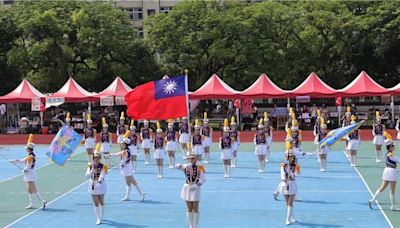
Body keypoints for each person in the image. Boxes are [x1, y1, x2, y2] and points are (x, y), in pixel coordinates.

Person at [10, 134, 47, 209]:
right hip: (29, 173)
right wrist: (13, 161)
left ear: (29, 149)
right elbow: (22, 160)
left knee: (33, 188)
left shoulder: (30, 156)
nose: (26, 149)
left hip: (30, 173)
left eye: (27, 148)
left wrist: (24, 170)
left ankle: (42, 201)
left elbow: (28, 166)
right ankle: (31, 203)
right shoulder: (29, 155)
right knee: (29, 188)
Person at [107, 130, 146, 201]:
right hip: (126, 167)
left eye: (122, 143)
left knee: (132, 181)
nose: (121, 144)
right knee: (128, 182)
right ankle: (129, 196)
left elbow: (124, 160)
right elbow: (118, 154)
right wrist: (109, 155)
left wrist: (121, 164)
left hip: (127, 167)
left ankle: (141, 193)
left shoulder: (126, 151)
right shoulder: (125, 150)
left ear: (125, 144)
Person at [369, 132, 399, 211]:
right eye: (393, 146)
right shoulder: (391, 155)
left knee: (382, 187)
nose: (394, 147)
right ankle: (393, 206)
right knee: (392, 190)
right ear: (390, 147)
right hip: (392, 171)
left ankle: (373, 200)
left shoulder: (387, 154)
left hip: (387, 170)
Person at [175, 153, 206, 228]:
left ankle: (195, 225)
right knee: (189, 207)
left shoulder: (200, 167)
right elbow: (176, 166)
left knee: (195, 207)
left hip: (195, 188)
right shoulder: (186, 167)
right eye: (189, 158)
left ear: (196, 159)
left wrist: (196, 185)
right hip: (187, 187)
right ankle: (191, 225)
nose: (191, 160)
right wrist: (183, 165)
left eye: (193, 158)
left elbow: (203, 179)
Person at [85, 144, 108, 225]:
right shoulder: (90, 166)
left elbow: (103, 175)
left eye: (98, 158)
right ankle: (98, 218)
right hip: (92, 184)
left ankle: (101, 216)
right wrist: (91, 171)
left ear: (100, 158)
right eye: (95, 158)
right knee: (95, 202)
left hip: (101, 185)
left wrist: (100, 180)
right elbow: (86, 176)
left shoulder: (103, 166)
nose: (97, 159)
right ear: (93, 158)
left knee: (101, 201)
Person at [281, 152, 301, 225]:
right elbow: (282, 175)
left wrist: (291, 172)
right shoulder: (283, 165)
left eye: (292, 157)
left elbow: (296, 174)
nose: (291, 158)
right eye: (289, 157)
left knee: (290, 202)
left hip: (292, 184)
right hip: (285, 184)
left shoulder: (297, 166)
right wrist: (283, 181)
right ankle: (292, 217)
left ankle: (287, 219)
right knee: (287, 203)